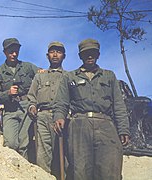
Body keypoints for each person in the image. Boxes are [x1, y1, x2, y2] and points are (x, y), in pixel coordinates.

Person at [53, 38, 130, 180]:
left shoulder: (109, 76)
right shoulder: (69, 77)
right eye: (86, 53)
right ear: (80, 56)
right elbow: (61, 103)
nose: (89, 56)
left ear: (98, 55)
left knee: (110, 169)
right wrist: (59, 117)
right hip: (79, 126)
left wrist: (123, 129)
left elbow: (119, 105)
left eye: (93, 53)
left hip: (106, 125)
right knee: (80, 170)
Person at [0, 38, 39, 161]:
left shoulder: (28, 67)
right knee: (11, 144)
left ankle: (25, 172)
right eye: (11, 52)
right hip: (10, 110)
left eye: (16, 51)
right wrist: (8, 93)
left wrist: (42, 72)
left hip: (26, 108)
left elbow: (41, 75)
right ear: (5, 52)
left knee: (24, 143)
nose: (14, 54)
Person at [27, 41, 67, 177]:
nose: (55, 55)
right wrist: (32, 107)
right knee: (43, 155)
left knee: (64, 154)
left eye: (59, 52)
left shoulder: (69, 76)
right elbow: (31, 97)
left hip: (63, 118)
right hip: (42, 118)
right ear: (47, 55)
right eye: (52, 52)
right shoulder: (39, 77)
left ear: (64, 56)